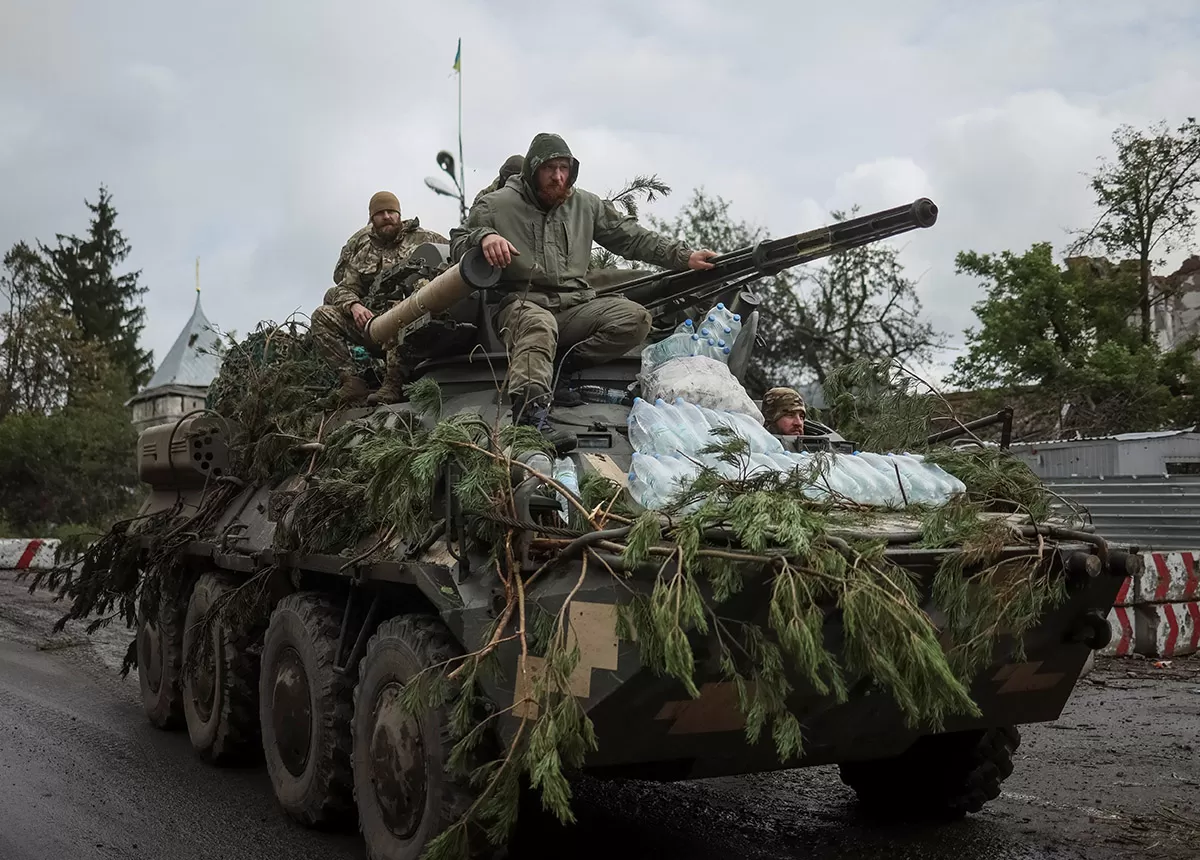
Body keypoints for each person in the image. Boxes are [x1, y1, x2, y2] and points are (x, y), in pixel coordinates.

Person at [449, 132, 717, 450]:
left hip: (574, 304)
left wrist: (684, 256)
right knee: (539, 325)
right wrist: (484, 238)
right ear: (533, 170)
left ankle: (559, 369)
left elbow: (630, 237)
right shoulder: (496, 205)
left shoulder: (585, 205)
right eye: (550, 169)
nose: (558, 177)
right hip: (518, 303)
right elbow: (458, 242)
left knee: (633, 318)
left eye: (564, 168)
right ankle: (530, 418)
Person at [312, 191, 448, 405]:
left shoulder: (425, 239)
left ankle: (393, 384)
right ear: (371, 219)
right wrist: (354, 305)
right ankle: (353, 382)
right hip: (373, 323)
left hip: (414, 321)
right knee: (322, 316)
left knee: (400, 311)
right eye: (380, 213)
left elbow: (452, 258)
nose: (386, 217)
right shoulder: (364, 250)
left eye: (391, 212)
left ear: (399, 214)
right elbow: (345, 287)